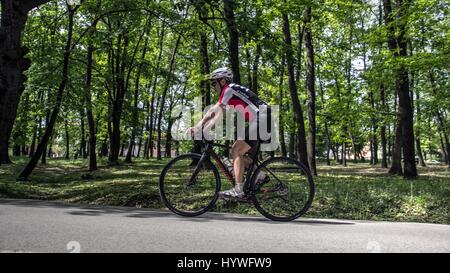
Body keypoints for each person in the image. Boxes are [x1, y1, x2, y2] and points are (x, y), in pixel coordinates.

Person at [188, 67, 271, 198]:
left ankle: (238, 190)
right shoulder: (230, 94)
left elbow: (213, 110)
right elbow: (219, 116)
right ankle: (260, 175)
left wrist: (198, 126)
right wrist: (206, 129)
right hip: (263, 118)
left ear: (222, 81)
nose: (213, 86)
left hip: (262, 117)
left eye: (214, 83)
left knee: (236, 150)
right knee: (238, 153)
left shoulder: (229, 88)